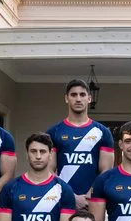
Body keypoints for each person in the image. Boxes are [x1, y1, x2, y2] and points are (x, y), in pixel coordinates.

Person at [46, 80, 115, 210]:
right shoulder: (54, 132)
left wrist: (89, 196)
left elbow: (106, 171)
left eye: (82, 95)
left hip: (92, 202)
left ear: (89, 98)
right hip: (62, 200)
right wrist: (71, 197)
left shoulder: (103, 132)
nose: (78, 99)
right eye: (73, 95)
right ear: (66, 98)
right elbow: (48, 170)